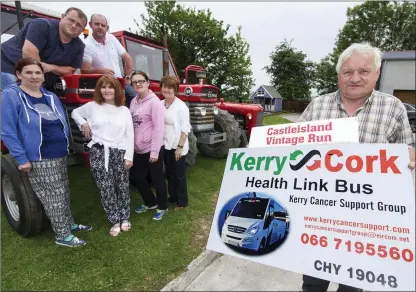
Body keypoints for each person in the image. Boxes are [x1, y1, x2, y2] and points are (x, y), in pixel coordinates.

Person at [299, 43, 415, 292]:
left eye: (363, 71)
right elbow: (293, 151)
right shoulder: (317, 106)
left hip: (365, 221)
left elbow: (407, 150)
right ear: (339, 75)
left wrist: (409, 160)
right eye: (347, 72)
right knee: (312, 282)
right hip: (320, 215)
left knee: (353, 286)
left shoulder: (393, 107)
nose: (354, 78)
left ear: (377, 73)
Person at [1, 57, 91, 247]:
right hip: (39, 155)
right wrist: (21, 158)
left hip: (59, 152)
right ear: (19, 75)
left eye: (38, 73)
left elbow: (61, 121)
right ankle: (62, 235)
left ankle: (68, 224)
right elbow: (7, 130)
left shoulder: (49, 95)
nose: (34, 76)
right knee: (52, 195)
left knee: (63, 191)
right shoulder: (11, 96)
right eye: (29, 73)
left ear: (43, 76)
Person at [71, 75, 134, 237]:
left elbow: (130, 134)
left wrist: (129, 156)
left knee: (121, 185)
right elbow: (75, 113)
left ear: (116, 89)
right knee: (105, 187)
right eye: (103, 87)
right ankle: (114, 219)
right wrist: (83, 123)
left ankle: (125, 216)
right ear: (99, 90)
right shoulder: (92, 106)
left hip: (119, 151)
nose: (107, 90)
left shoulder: (124, 110)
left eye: (110, 87)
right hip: (99, 151)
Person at [1, 7, 88, 91]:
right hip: (8, 65)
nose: (74, 25)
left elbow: (71, 69)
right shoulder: (41, 25)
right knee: (17, 96)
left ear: (83, 30)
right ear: (62, 17)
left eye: (79, 25)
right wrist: (39, 82)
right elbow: (29, 53)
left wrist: (52, 68)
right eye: (71, 20)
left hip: (39, 79)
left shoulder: (79, 46)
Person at [128, 71, 168, 220]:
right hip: (137, 149)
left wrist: (154, 152)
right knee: (137, 177)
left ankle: (163, 207)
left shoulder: (155, 102)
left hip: (152, 148)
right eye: (135, 82)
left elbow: (158, 128)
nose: (138, 84)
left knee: (157, 180)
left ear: (147, 82)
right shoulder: (133, 101)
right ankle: (150, 203)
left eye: (141, 81)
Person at [80, 14, 136, 107]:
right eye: (97, 24)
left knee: (137, 99)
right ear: (90, 24)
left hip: (119, 83)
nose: (100, 27)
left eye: (103, 25)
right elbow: (84, 70)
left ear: (107, 27)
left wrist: (128, 78)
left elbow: (128, 59)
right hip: (102, 86)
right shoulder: (86, 45)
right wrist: (100, 71)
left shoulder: (112, 38)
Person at [160, 76, 191, 210]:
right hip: (166, 144)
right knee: (170, 173)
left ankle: (182, 201)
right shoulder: (160, 104)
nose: (166, 90)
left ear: (175, 90)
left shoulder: (181, 106)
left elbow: (186, 127)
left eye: (170, 87)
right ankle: (172, 196)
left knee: (179, 175)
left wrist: (179, 147)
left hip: (177, 145)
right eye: (164, 86)